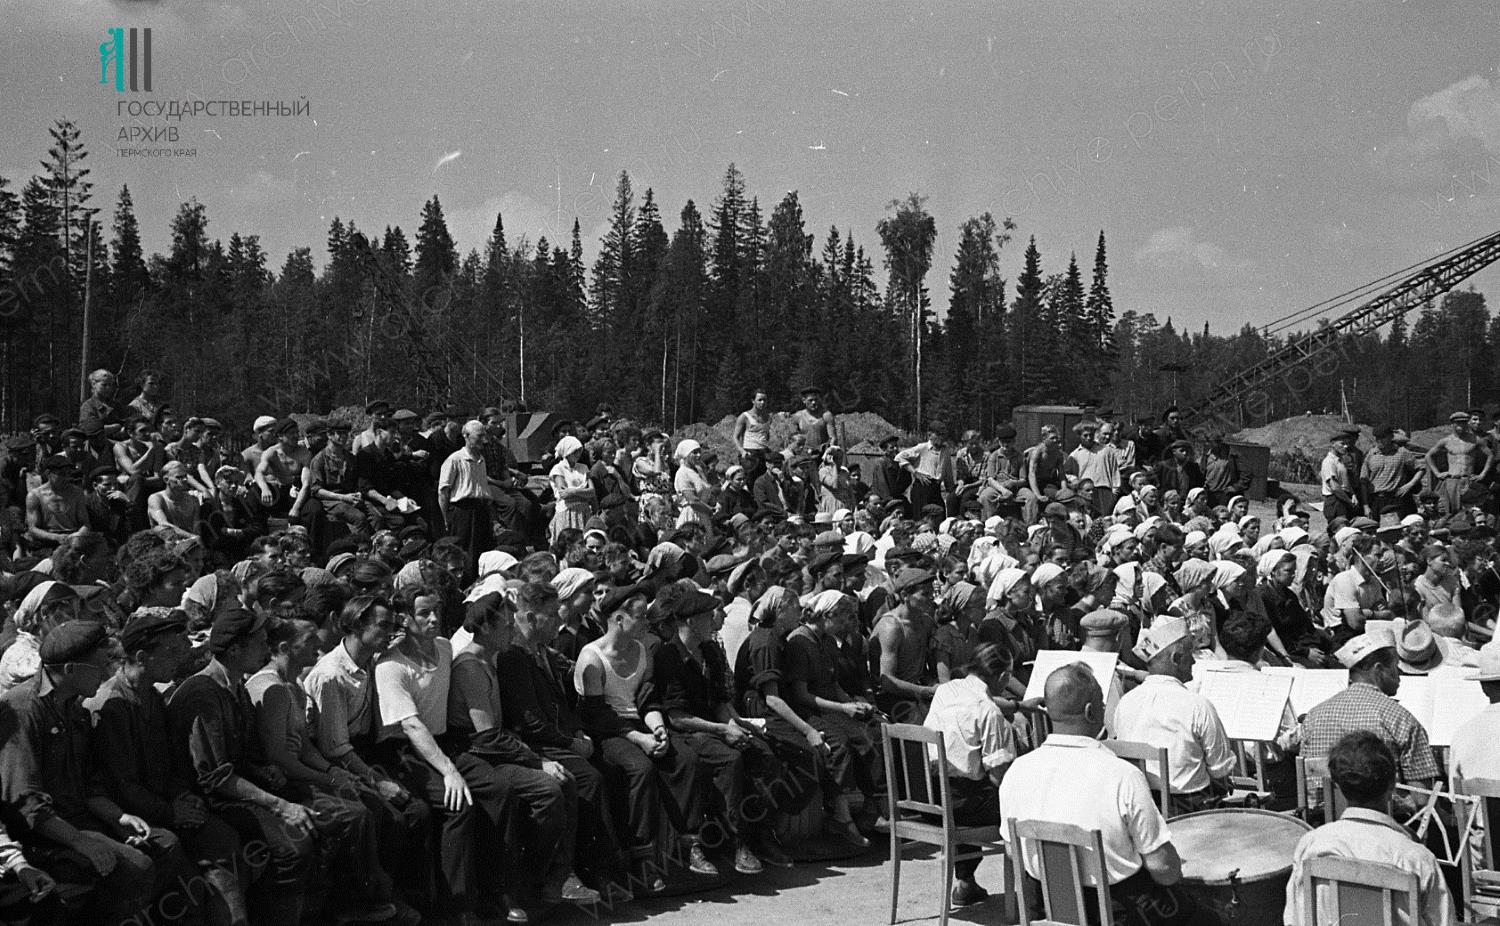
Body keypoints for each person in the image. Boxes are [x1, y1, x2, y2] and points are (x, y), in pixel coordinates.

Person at [0, 620, 188, 926]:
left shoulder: (75, 710)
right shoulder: (22, 711)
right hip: (40, 836)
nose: (106, 674)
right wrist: (79, 840)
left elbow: (89, 783)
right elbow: (26, 804)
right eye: (100, 666)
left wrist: (118, 818)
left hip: (77, 823)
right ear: (71, 670)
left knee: (164, 844)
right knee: (135, 868)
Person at [998, 662, 1199, 926]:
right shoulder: (1122, 775)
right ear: (1091, 711)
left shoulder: (1017, 771)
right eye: (1102, 705)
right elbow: (1164, 869)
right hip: (1116, 913)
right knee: (1205, 912)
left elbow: (1015, 853)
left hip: (1047, 908)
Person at [373, 586, 528, 925]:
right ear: (404, 618)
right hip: (406, 752)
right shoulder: (390, 666)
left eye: (436, 612)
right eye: (423, 613)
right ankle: (458, 907)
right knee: (457, 804)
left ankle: (497, 891)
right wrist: (449, 772)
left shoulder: (444, 648)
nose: (433, 619)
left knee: (498, 790)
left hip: (444, 742)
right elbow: (412, 727)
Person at [89, 608, 251, 926]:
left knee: (223, 840)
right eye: (171, 651)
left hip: (162, 808)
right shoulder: (111, 705)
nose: (179, 659)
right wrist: (171, 812)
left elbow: (169, 765)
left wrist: (181, 797)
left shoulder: (152, 696)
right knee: (189, 884)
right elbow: (123, 785)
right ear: (140, 656)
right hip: (129, 819)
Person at [446, 592, 599, 907]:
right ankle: (528, 882)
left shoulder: (491, 657)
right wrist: (538, 762)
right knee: (548, 789)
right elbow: (487, 737)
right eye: (505, 623)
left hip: (496, 751)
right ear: (486, 627)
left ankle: (554, 880)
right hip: (477, 755)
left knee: (565, 781)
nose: (512, 630)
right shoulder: (470, 666)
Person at [168, 607, 316, 926]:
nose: (267, 649)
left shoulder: (235, 686)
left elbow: (238, 755)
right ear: (235, 649)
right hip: (208, 803)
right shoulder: (203, 693)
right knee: (293, 846)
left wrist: (260, 770)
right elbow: (214, 777)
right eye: (261, 642)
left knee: (320, 818)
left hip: (234, 791)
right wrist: (279, 805)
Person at [573, 586, 713, 886]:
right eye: (639, 617)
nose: (645, 624)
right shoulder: (592, 659)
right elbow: (597, 715)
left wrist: (658, 727)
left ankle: (690, 844)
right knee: (640, 768)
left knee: (686, 759)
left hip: (639, 724)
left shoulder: (641, 651)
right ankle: (641, 857)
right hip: (608, 732)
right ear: (619, 620)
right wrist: (639, 738)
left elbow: (646, 699)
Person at [495, 582, 624, 892]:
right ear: (528, 616)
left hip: (558, 737)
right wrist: (570, 743)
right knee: (586, 779)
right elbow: (528, 720)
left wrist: (577, 730)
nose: (557, 621)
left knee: (611, 768)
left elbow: (559, 705)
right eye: (550, 615)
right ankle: (570, 872)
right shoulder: (514, 654)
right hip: (532, 744)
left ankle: (606, 866)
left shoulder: (541, 650)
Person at [1284, 732, 1451, 926]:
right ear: (1392, 785)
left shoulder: (1311, 844)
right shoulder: (1417, 858)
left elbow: (1294, 919)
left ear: (1337, 785)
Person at [922, 644, 1019, 908]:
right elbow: (999, 776)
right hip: (961, 806)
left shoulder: (945, 691)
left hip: (931, 798)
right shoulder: (989, 710)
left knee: (972, 783)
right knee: (1025, 804)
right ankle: (1038, 889)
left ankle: (965, 882)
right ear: (1002, 678)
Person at [1113, 618, 1235, 814]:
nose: (1194, 661)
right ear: (1176, 658)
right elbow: (1220, 769)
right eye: (1190, 654)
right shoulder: (1197, 705)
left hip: (1141, 807)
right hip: (1190, 809)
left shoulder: (1126, 702)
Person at [1301, 630, 1438, 803]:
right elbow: (1423, 799)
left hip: (1323, 820)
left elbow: (1309, 787)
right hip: (1384, 821)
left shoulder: (1314, 715)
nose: (1399, 675)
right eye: (1395, 667)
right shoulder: (1400, 719)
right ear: (1378, 670)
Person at [438, 421, 496, 581]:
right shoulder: (455, 459)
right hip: (463, 511)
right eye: (479, 436)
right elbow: (444, 491)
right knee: (465, 551)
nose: (484, 440)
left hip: (481, 509)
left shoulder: (481, 460)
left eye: (485, 436)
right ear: (466, 436)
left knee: (483, 549)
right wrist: (445, 518)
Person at [1426, 410, 1493, 516]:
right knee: (1451, 511)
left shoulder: (1475, 440)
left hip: (1469, 480)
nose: (1461, 425)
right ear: (1452, 424)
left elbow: (1490, 455)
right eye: (1458, 423)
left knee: (1471, 512)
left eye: (1463, 422)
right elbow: (1428, 456)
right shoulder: (1446, 441)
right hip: (1452, 480)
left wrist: (1482, 474)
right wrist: (1437, 473)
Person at [1362, 424, 1422, 518]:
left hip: (1396, 498)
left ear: (1391, 437)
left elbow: (1421, 469)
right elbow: (1363, 481)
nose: (1379, 440)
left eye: (1383, 437)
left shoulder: (1402, 453)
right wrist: (1365, 505)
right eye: (1377, 438)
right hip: (1376, 500)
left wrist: (1409, 485)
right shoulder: (1371, 454)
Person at [896, 425, 954, 517]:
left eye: (943, 435)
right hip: (922, 487)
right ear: (930, 435)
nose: (941, 438)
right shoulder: (922, 448)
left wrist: (950, 488)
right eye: (938, 435)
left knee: (940, 514)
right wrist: (915, 473)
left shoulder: (946, 451)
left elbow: (947, 471)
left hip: (936, 488)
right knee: (921, 517)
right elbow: (900, 457)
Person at [733, 390, 774, 485]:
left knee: (765, 480)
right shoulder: (745, 417)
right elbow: (735, 437)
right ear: (753, 401)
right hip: (750, 451)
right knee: (750, 481)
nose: (762, 402)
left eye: (765, 400)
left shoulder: (768, 417)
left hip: (763, 451)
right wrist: (742, 451)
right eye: (759, 400)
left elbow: (766, 435)